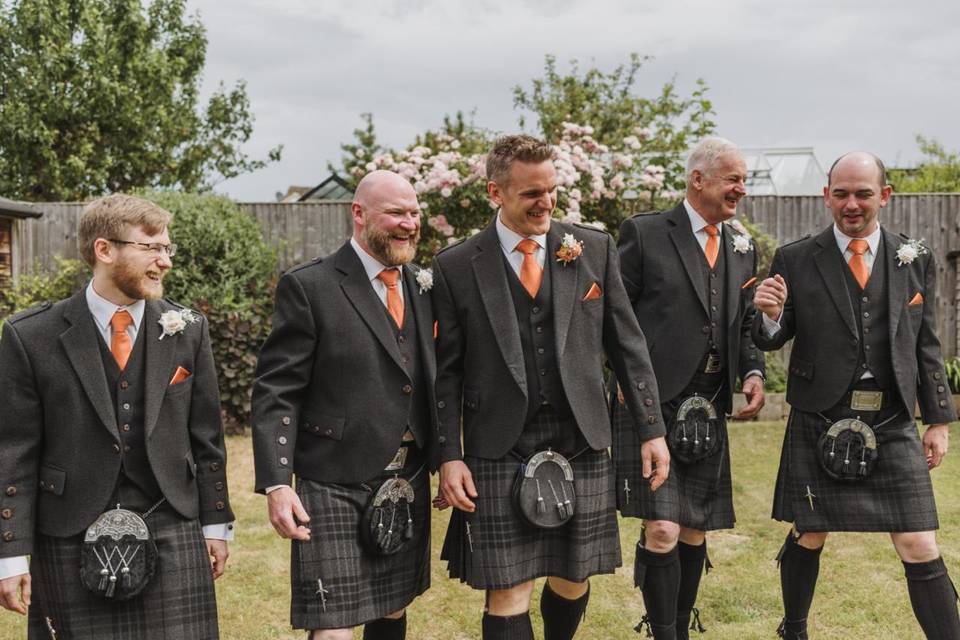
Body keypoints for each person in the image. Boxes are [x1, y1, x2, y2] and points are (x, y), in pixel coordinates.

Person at [433, 134, 669, 640]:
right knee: (507, 587)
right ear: (495, 192)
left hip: (580, 436)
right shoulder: (456, 266)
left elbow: (628, 345)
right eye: (531, 194)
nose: (546, 202)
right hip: (499, 444)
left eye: (551, 190)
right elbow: (445, 373)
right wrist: (449, 455)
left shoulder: (592, 248)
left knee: (572, 574)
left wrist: (652, 429)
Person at [0, 194, 233, 639]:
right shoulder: (31, 336)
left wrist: (216, 523)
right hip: (70, 525)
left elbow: (207, 437)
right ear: (103, 250)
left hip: (171, 517)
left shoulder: (188, 329)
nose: (164, 261)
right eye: (151, 247)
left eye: (168, 248)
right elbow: (14, 451)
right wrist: (9, 556)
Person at [752, 151, 960, 639]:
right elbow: (771, 338)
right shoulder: (796, 257)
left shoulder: (916, 257)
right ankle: (795, 630)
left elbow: (926, 343)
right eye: (841, 193)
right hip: (821, 413)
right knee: (810, 530)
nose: (851, 203)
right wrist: (767, 315)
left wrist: (938, 419)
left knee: (918, 540)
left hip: (892, 419)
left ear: (884, 196)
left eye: (863, 193)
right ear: (826, 196)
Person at [252, 170, 435, 640]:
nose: (409, 224)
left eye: (414, 213)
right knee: (333, 625)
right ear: (359, 214)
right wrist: (276, 482)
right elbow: (278, 388)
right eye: (396, 212)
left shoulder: (424, 286)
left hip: (408, 472)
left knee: (392, 608)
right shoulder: (310, 286)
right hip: (333, 475)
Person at [614, 137, 766, 639]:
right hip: (653, 399)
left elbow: (745, 324)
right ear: (698, 179)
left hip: (709, 403)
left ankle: (679, 624)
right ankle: (663, 632)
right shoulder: (646, 232)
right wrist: (619, 381)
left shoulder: (742, 246)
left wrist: (752, 371)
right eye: (733, 179)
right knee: (662, 527)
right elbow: (614, 320)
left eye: (744, 180)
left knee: (697, 526)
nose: (741, 189)